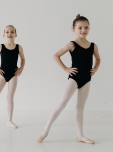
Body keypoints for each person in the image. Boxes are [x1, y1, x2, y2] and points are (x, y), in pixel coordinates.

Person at [37, 14, 101, 144]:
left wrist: (95, 68)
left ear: (89, 29)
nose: (83, 30)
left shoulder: (93, 46)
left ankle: (80, 135)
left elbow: (98, 59)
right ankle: (45, 130)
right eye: (80, 28)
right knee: (62, 104)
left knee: (80, 107)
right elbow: (56, 55)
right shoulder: (72, 44)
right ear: (74, 30)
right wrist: (66, 69)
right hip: (74, 78)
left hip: (86, 79)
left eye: (86, 27)